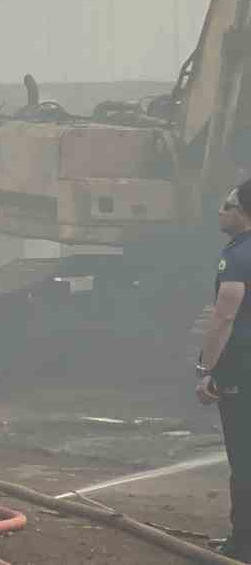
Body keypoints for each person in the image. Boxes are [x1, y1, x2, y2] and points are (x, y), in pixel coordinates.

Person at [199, 178, 251, 561]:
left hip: (241, 369)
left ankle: (243, 542)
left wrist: (206, 367)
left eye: (227, 204)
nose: (221, 210)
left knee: (244, 456)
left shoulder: (236, 255)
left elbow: (225, 314)